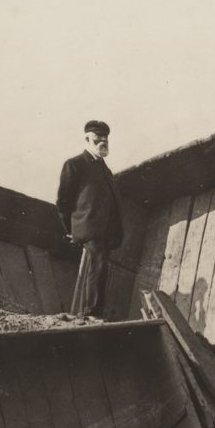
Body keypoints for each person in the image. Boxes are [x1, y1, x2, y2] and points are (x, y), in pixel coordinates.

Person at [56, 120, 125, 317]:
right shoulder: (75, 165)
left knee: (101, 268)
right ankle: (91, 312)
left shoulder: (105, 170)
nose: (103, 141)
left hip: (105, 231)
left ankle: (95, 310)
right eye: (98, 137)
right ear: (87, 139)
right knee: (98, 264)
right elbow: (63, 200)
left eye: (105, 138)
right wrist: (69, 229)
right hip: (88, 227)